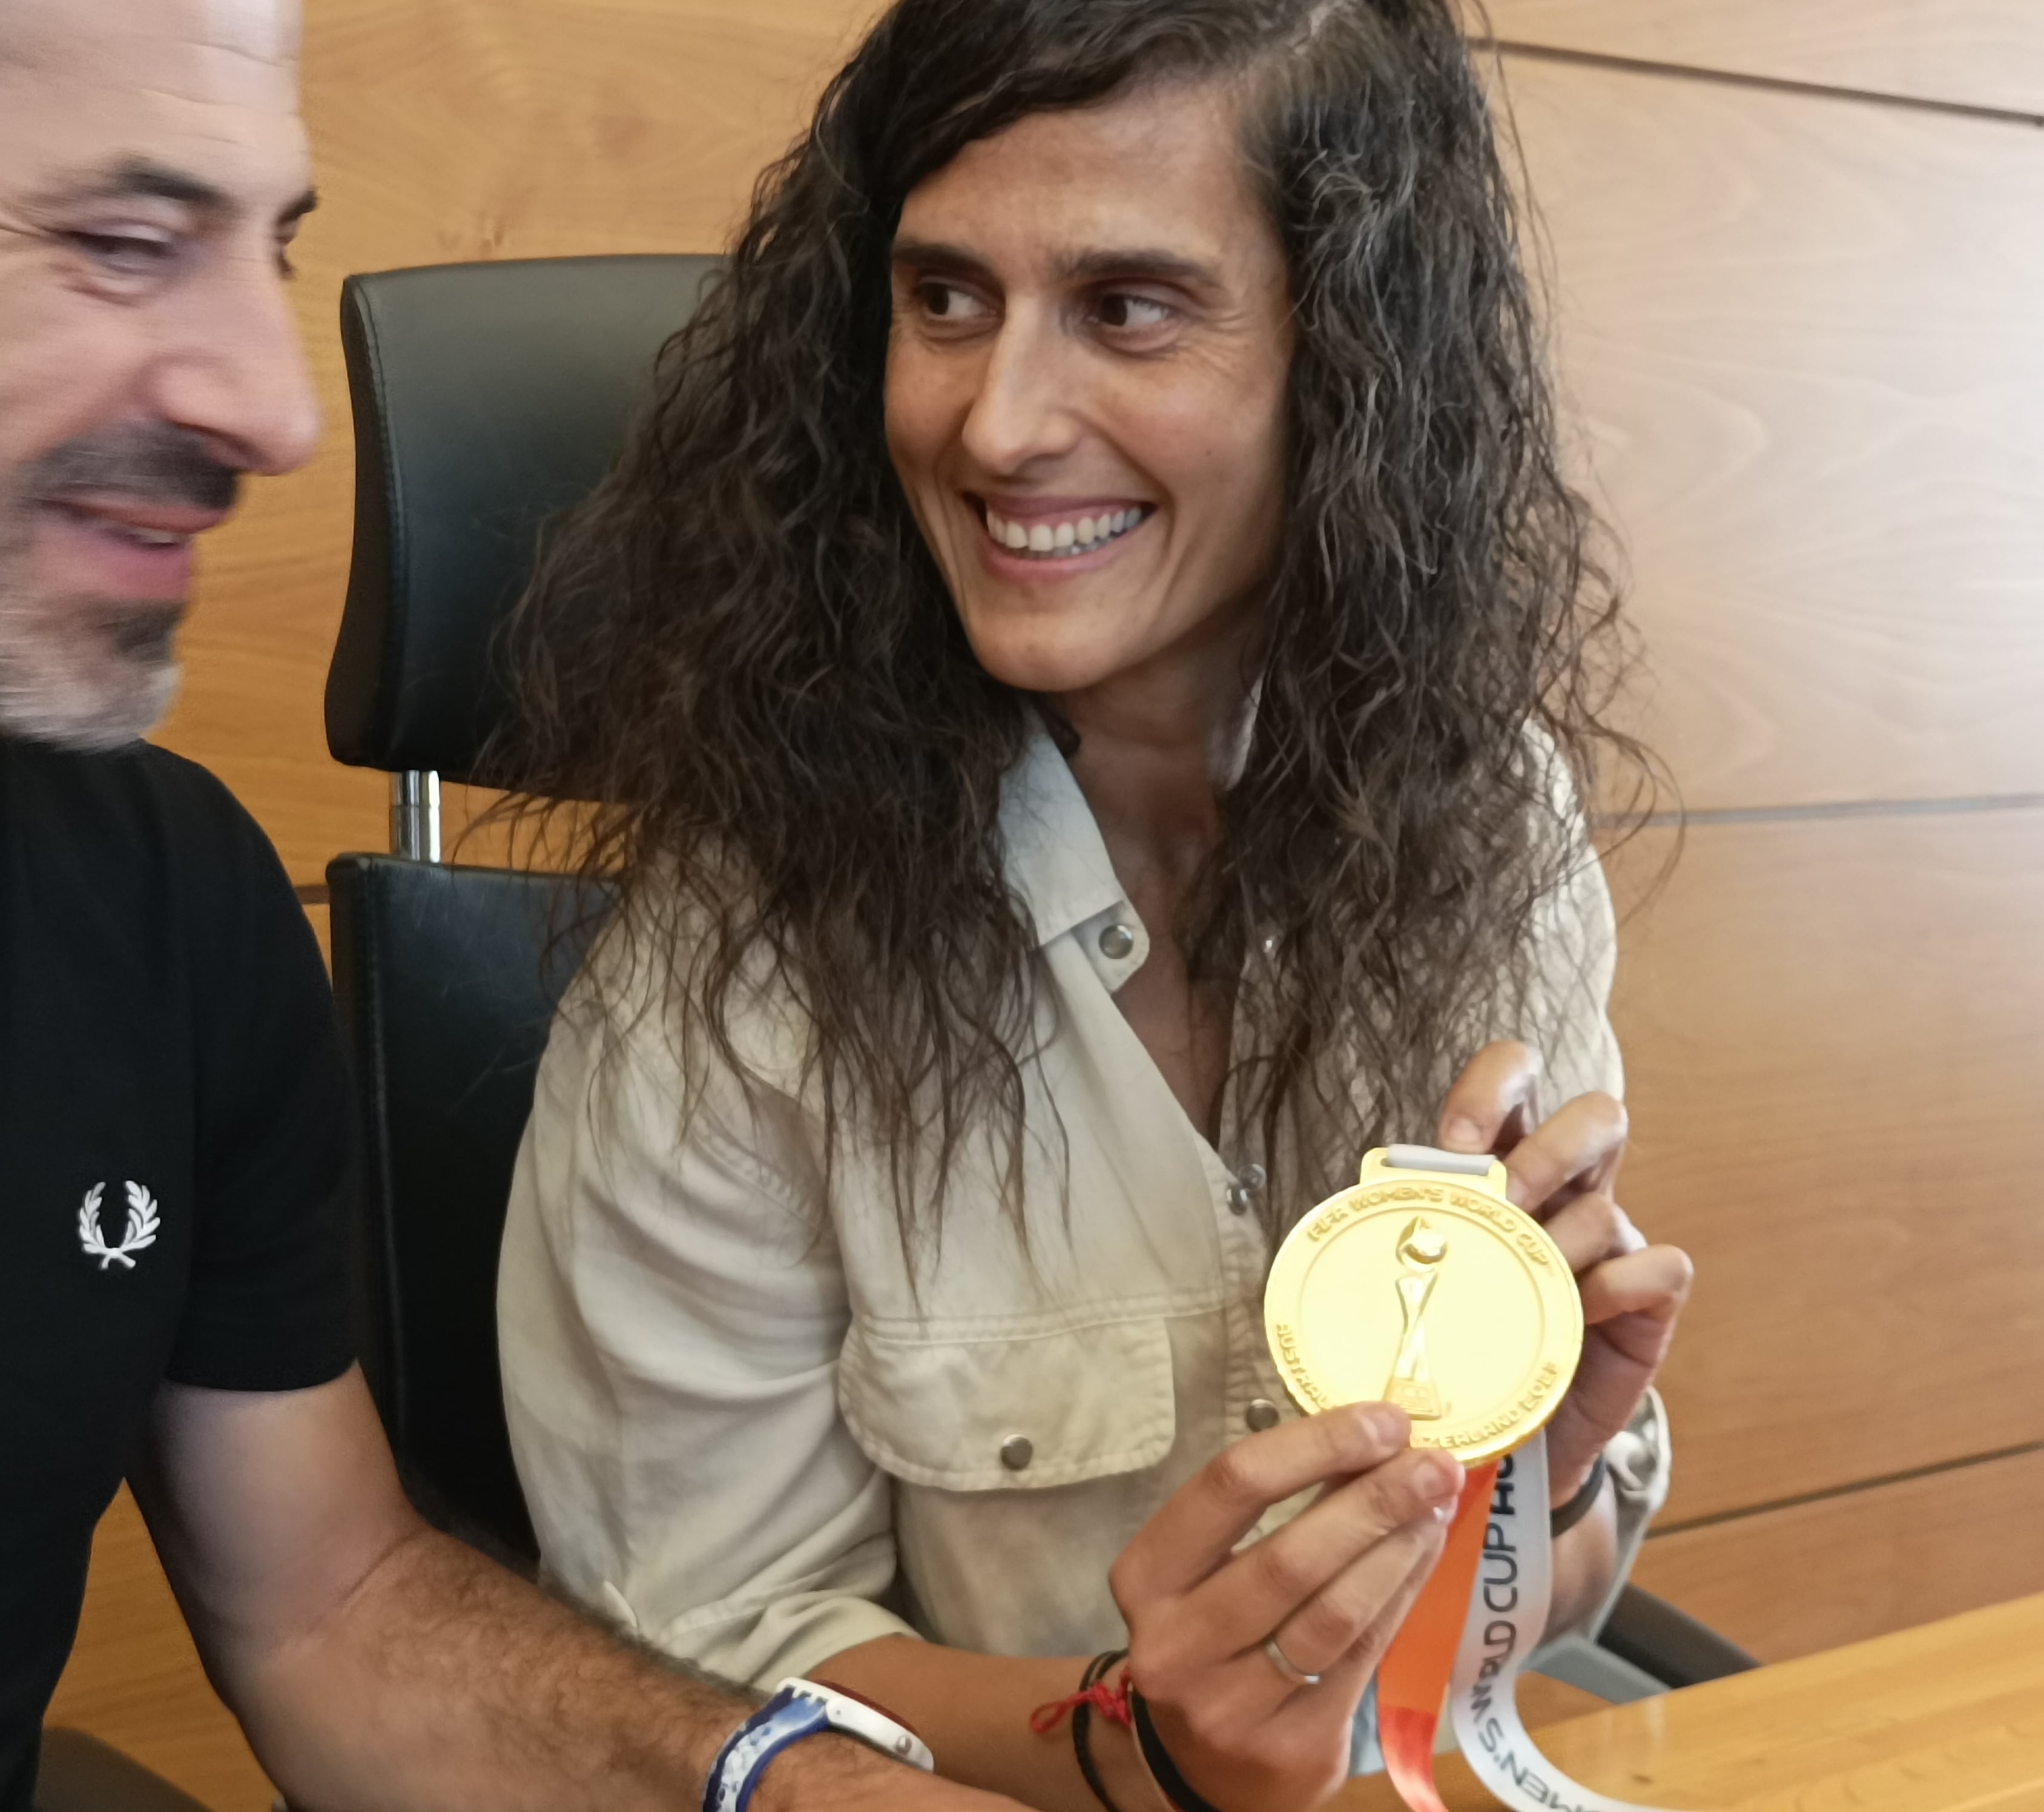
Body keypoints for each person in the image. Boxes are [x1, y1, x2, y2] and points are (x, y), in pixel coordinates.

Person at [0, 4, 1033, 1810]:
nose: (273, 410)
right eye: (119, 246)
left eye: (260, 247)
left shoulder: (160, 897)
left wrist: (787, 1789)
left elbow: (333, 1611)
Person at [495, 2, 1696, 1810]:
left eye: (1127, 308)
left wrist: (1542, 1482)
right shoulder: (737, 969)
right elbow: (717, 1666)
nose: (995, 422)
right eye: (945, 300)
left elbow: (1539, 1594)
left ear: (1353, 360)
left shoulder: (1491, 826)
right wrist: (1143, 1742)